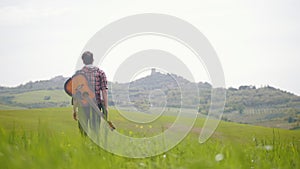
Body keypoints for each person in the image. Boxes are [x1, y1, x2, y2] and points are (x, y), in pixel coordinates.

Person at [73, 51, 109, 135]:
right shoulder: (100, 73)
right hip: (96, 105)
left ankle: (84, 147)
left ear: (83, 61)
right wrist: (106, 107)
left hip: (82, 106)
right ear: (93, 60)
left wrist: (74, 109)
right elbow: (104, 91)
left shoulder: (79, 74)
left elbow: (76, 94)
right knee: (95, 132)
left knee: (83, 132)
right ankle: (94, 147)